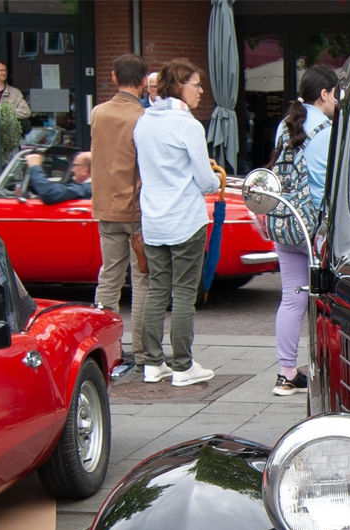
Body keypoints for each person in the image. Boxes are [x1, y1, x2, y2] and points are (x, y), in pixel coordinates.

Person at [134, 58, 219, 388]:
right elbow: (205, 180)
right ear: (179, 87)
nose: (200, 91)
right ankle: (183, 366)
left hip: (153, 218)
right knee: (183, 294)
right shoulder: (188, 125)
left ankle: (152, 363)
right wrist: (211, 178)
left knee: (157, 290)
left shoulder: (144, 122)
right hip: (184, 218)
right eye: (196, 84)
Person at [267, 64, 337, 396]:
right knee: (324, 299)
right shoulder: (326, 130)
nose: (337, 101)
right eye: (336, 94)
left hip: (286, 223)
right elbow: (328, 185)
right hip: (314, 232)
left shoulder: (285, 125)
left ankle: (286, 373)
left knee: (293, 297)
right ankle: (326, 367)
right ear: (324, 94)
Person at [92, 53, 149, 373]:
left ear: (113, 77)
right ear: (143, 81)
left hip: (106, 208)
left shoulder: (98, 113)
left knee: (109, 279)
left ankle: (106, 349)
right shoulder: (143, 117)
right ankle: (141, 351)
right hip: (137, 210)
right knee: (142, 280)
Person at [25, 150, 90, 204]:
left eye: (75, 165)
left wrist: (35, 166)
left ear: (85, 169)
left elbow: (49, 193)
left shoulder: (87, 189)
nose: (72, 169)